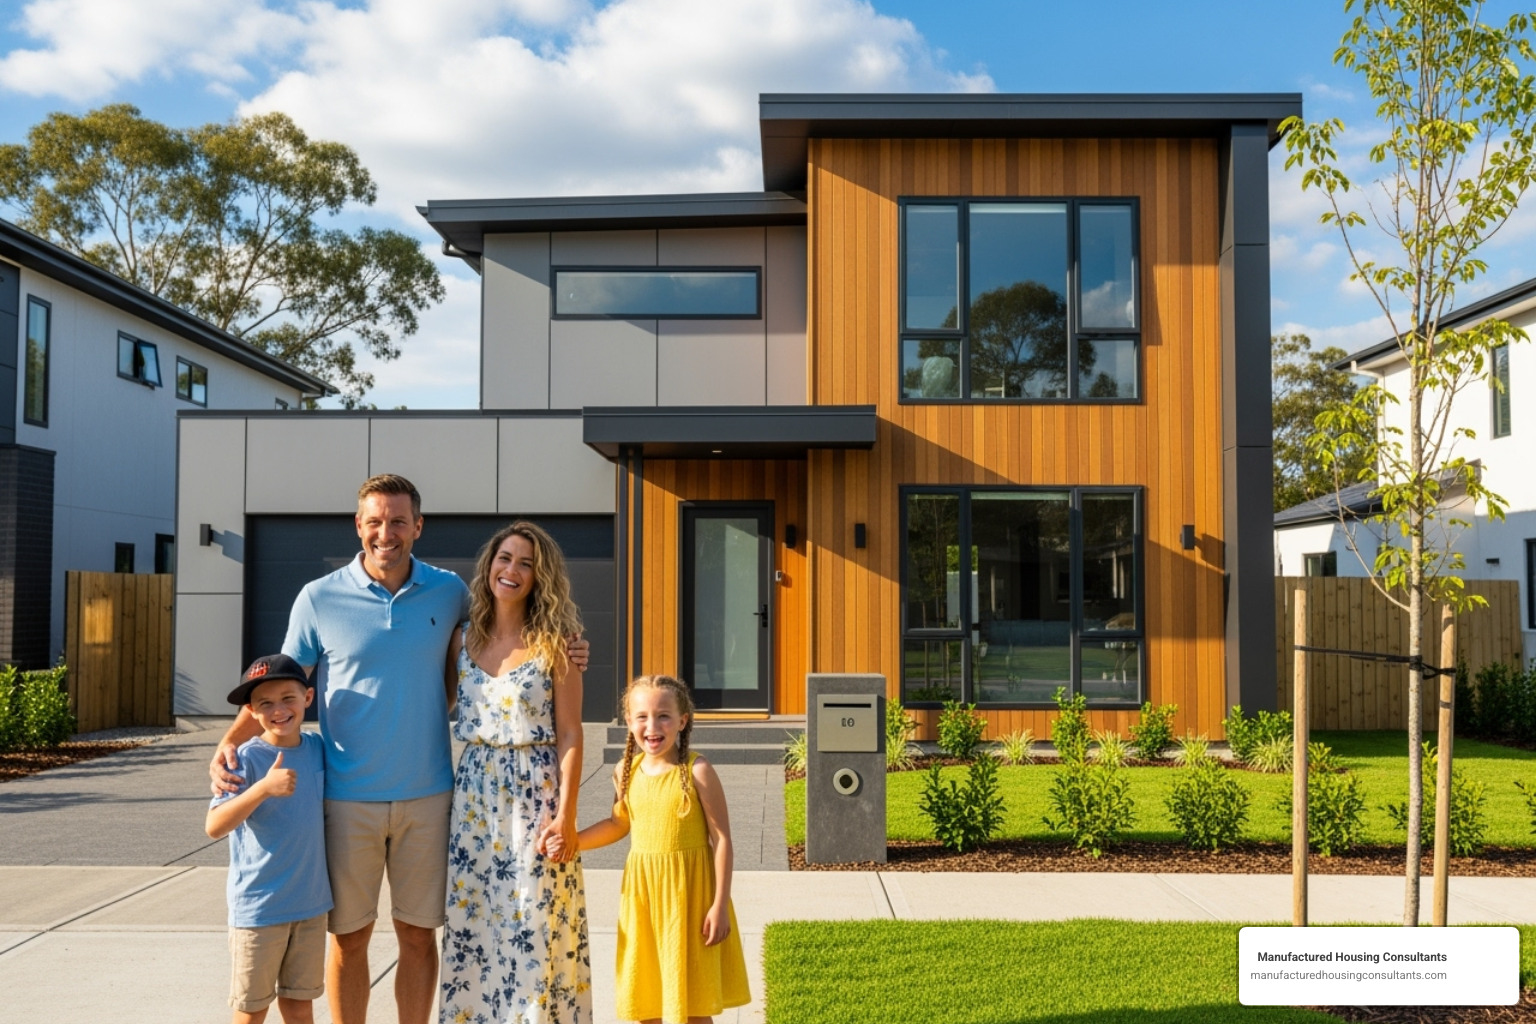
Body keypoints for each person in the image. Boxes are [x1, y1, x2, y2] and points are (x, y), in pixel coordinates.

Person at [210, 475, 590, 1024]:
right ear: (358, 526)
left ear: (418, 526)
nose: (385, 533)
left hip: (432, 798)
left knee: (418, 936)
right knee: (350, 938)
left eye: (397, 521)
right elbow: (277, 689)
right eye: (374, 521)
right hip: (346, 798)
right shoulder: (317, 598)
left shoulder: (450, 592)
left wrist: (571, 644)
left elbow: (510, 640)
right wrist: (227, 742)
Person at [439, 520, 592, 1023]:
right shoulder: (461, 639)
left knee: (534, 924)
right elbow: (438, 704)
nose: (513, 570)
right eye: (505, 558)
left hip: (536, 796)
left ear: (539, 576)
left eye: (526, 563)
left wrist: (566, 816)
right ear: (489, 566)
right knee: (476, 927)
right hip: (475, 801)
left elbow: (570, 734)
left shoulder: (558, 643)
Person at [566, 675, 749, 1024]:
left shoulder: (698, 770)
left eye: (664, 715)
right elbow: (619, 824)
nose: (653, 725)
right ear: (629, 721)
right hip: (643, 900)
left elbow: (721, 840)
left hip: (691, 901)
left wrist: (719, 905)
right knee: (647, 1000)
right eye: (642, 716)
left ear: (683, 720)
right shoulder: (624, 771)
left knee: (693, 1004)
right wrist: (573, 843)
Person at [206, 654, 332, 1024]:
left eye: (288, 698)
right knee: (251, 1008)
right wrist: (261, 789)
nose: (278, 710)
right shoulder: (243, 759)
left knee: (299, 1006)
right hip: (260, 910)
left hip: (310, 906)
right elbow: (214, 825)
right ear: (251, 711)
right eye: (265, 703)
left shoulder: (318, 749)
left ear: (308, 698)